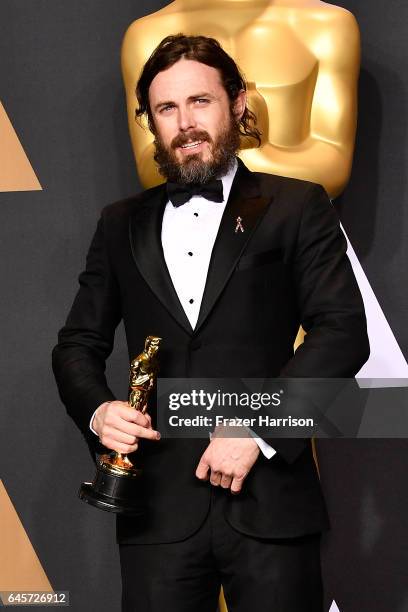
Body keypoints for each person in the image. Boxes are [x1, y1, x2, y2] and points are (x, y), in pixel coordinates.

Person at [52, 34, 369, 612]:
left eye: (201, 101)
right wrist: (100, 412)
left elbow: (343, 332)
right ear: (150, 122)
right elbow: (77, 343)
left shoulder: (299, 205)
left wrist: (255, 427)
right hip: (155, 513)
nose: (185, 123)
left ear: (238, 102)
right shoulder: (119, 223)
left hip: (270, 503)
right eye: (167, 108)